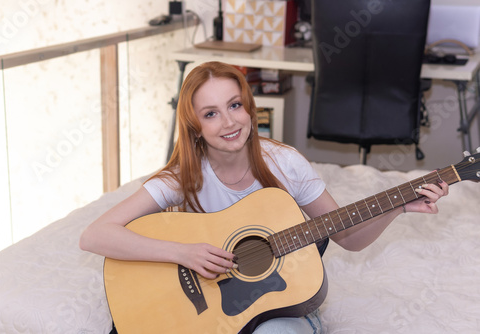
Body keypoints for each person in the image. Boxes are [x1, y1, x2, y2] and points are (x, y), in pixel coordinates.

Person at [79, 61, 449, 333]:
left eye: (235, 105)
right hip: (208, 307)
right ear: (195, 128)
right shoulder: (184, 177)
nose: (228, 122)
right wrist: (182, 253)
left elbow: (347, 236)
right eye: (211, 113)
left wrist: (398, 205)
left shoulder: (286, 163)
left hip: (282, 306)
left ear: (251, 110)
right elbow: (94, 235)